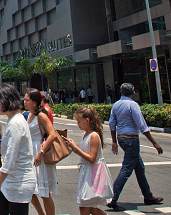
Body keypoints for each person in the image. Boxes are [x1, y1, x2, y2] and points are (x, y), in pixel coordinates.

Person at [107, 83, 163, 212]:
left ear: (121, 92)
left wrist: (114, 141)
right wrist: (154, 143)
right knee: (127, 169)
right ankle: (113, 198)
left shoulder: (116, 105)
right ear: (133, 93)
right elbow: (142, 126)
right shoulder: (133, 105)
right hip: (132, 139)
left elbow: (112, 124)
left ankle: (148, 196)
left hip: (121, 138)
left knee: (139, 167)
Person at [0, 84, 36, 215]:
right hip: (10, 181)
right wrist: (1, 149)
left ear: (5, 101)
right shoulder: (15, 119)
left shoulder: (15, 123)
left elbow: (10, 159)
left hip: (18, 182)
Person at [63, 107, 113, 215]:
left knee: (85, 206)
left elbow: (92, 158)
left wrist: (75, 148)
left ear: (87, 120)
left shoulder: (93, 136)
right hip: (86, 172)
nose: (78, 124)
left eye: (79, 121)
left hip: (92, 173)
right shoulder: (85, 135)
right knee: (89, 207)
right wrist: (72, 147)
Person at [24, 89, 57, 215]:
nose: (24, 102)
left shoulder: (41, 115)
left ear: (34, 102)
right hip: (30, 154)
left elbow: (52, 134)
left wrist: (40, 152)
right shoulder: (29, 115)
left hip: (39, 154)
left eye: (27, 100)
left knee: (44, 193)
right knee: (30, 189)